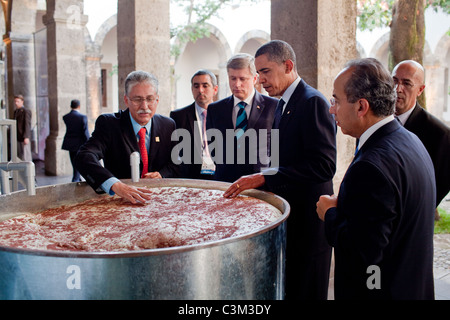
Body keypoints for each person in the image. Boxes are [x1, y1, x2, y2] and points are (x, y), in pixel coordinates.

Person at [224, 40, 337, 300]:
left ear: (288, 66)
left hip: (310, 222)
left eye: (266, 72)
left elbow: (324, 165)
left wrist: (265, 177)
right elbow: (282, 159)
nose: (261, 80)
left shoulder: (313, 102)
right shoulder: (281, 103)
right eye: (259, 72)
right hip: (288, 216)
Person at [316, 58, 436, 299]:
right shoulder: (410, 140)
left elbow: (363, 257)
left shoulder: (371, 168)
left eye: (336, 100)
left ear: (361, 107)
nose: (331, 109)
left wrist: (330, 213)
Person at [75, 71, 179, 204]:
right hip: (119, 202)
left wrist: (161, 174)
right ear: (126, 100)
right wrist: (114, 184)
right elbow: (84, 157)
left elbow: (176, 163)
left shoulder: (168, 125)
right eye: (137, 99)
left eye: (149, 99)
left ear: (157, 99)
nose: (144, 106)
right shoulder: (109, 124)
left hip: (158, 202)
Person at [206, 53, 278, 183]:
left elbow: (277, 148)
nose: (237, 84)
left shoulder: (273, 106)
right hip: (225, 182)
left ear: (255, 78)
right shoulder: (215, 109)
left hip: (261, 183)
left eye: (242, 79)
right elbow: (213, 148)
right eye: (232, 78)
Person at [392, 60, 450, 208]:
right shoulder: (375, 122)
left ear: (420, 90)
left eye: (407, 83)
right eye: (394, 81)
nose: (398, 88)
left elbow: (438, 187)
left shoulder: (439, 134)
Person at [170, 69, 218, 179]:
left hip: (220, 177)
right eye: (196, 86)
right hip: (191, 178)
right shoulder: (178, 116)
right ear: (192, 89)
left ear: (215, 89)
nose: (200, 90)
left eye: (205, 86)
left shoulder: (225, 114)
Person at [62, 99, 90, 182]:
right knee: (78, 162)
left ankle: (77, 178)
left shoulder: (66, 117)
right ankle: (75, 179)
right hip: (79, 143)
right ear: (79, 106)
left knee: (74, 161)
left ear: (71, 106)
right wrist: (89, 142)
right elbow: (85, 132)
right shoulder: (82, 117)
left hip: (70, 143)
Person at [13, 94, 32, 162]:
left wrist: (26, 137)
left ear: (22, 101)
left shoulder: (26, 111)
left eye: (18, 101)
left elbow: (27, 124)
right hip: (18, 136)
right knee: (20, 155)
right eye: (15, 101)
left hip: (23, 137)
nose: (16, 103)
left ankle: (29, 171)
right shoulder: (16, 111)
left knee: (26, 155)